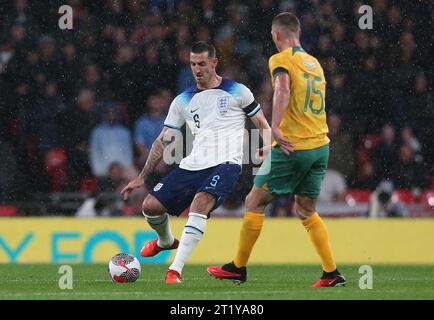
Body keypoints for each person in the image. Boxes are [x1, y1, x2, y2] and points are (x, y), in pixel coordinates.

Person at [207, 12, 346, 287]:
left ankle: (237, 267)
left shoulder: (281, 59)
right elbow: (302, 107)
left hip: (293, 147)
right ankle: (331, 272)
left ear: (277, 35)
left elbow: (282, 89)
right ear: (299, 34)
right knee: (306, 210)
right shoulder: (314, 63)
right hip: (320, 146)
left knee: (254, 202)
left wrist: (275, 130)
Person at [121, 41, 271, 284]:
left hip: (227, 163)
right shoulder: (183, 100)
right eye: (192, 64)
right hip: (193, 164)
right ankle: (166, 241)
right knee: (150, 207)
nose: (197, 69)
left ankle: (175, 270)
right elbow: (163, 140)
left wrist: (268, 150)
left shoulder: (238, 91)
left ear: (214, 63)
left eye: (202, 64)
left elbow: (263, 125)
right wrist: (142, 176)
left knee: (200, 204)